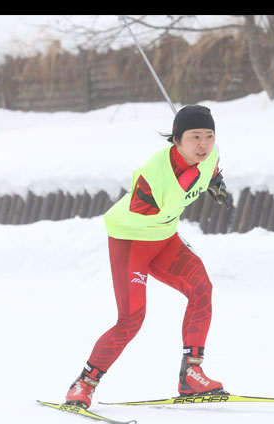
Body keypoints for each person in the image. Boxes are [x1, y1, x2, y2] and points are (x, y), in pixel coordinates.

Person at [65, 105, 230, 408]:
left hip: (164, 239)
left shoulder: (210, 156)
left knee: (201, 288)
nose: (204, 144)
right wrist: (188, 180)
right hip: (132, 240)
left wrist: (213, 182)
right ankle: (84, 384)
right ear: (176, 140)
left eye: (209, 135)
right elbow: (146, 211)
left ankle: (191, 373)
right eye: (195, 137)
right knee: (131, 319)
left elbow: (212, 168)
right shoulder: (153, 175)